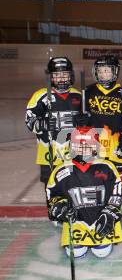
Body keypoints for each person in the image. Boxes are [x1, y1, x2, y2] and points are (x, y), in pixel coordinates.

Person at [46, 126, 122, 258]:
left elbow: (116, 196)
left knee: (101, 252)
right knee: (76, 252)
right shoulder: (61, 171)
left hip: (101, 219)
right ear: (72, 147)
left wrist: (109, 215)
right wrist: (62, 209)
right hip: (76, 222)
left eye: (88, 146)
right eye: (79, 146)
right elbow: (52, 196)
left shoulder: (107, 168)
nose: (83, 151)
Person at [25, 57, 82, 187]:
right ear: (50, 77)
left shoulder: (78, 96)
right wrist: (43, 124)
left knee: (72, 190)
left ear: (71, 75)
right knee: (52, 192)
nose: (61, 78)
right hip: (48, 155)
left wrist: (85, 121)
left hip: (72, 154)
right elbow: (29, 121)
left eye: (64, 74)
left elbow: (86, 124)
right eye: (56, 75)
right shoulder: (41, 96)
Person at [82, 55, 122, 174]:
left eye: (106, 71)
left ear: (115, 71)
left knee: (118, 182)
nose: (103, 74)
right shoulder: (88, 92)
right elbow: (81, 116)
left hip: (116, 146)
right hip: (94, 145)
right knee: (95, 180)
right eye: (99, 71)